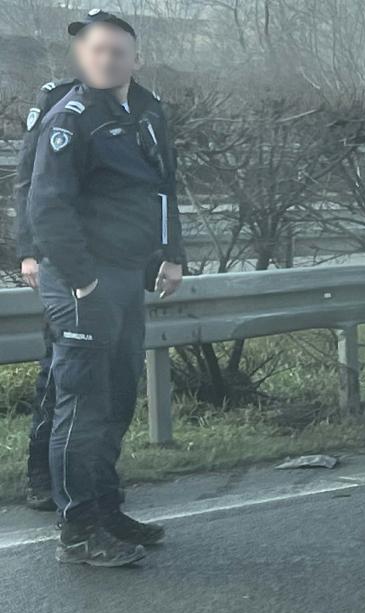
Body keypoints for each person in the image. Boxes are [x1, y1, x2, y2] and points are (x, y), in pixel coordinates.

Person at [28, 9, 186, 567]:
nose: (107, 58)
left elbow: (164, 186)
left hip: (125, 277)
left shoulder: (146, 110)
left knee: (116, 399)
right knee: (83, 405)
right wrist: (84, 281)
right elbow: (46, 208)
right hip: (82, 282)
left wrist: (171, 255)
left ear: (134, 58)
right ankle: (77, 530)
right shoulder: (70, 118)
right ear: (82, 56)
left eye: (118, 50)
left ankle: (105, 507)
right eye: (96, 50)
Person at [12, 77, 79, 511]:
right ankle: (41, 476)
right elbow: (26, 181)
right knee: (57, 373)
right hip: (57, 260)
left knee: (97, 382)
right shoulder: (56, 98)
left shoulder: (134, 103)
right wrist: (28, 252)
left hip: (105, 262)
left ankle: (85, 479)